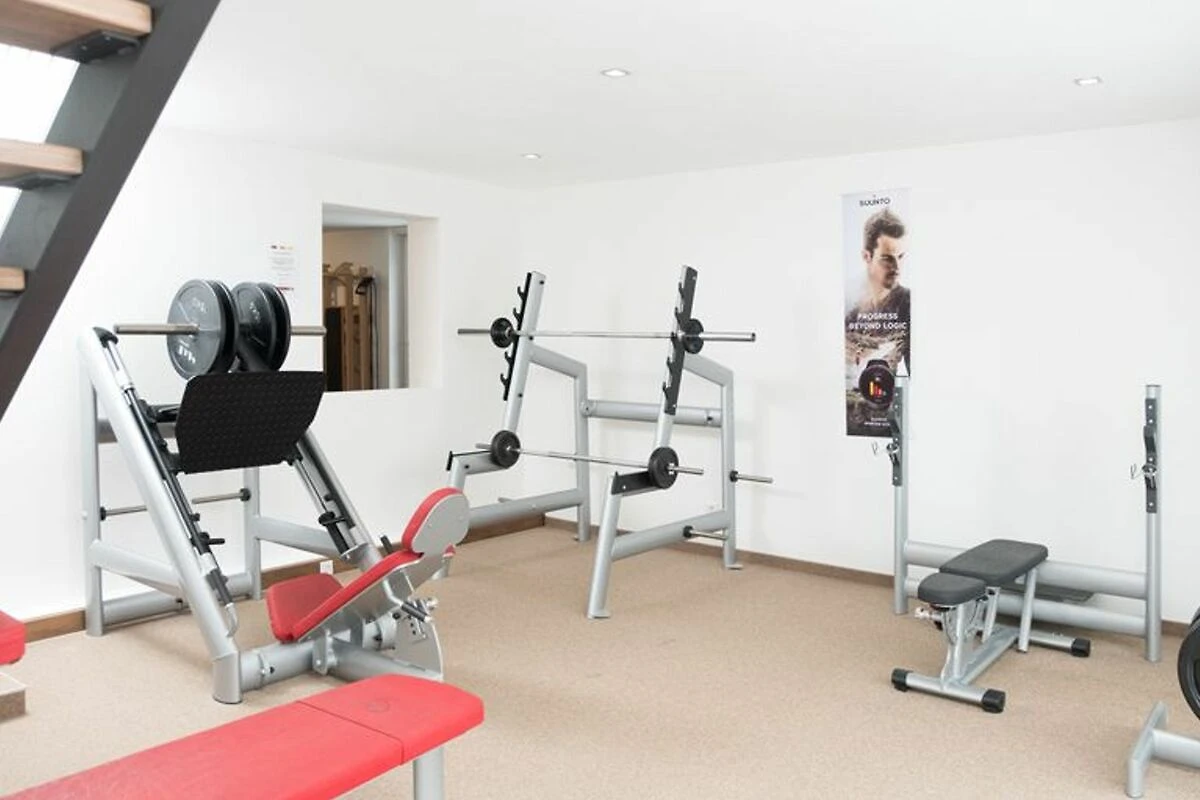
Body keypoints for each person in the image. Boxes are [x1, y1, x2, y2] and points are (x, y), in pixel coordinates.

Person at [845, 207, 909, 371]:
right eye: (887, 258)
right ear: (866, 256)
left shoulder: (908, 305)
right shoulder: (849, 307)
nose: (897, 268)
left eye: (901, 257)